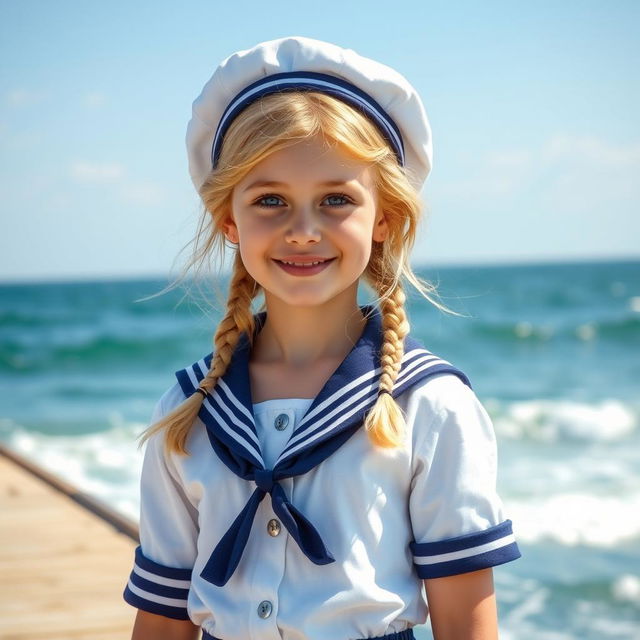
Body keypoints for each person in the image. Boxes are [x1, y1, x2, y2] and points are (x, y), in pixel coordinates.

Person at [123, 36, 521, 640]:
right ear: (229, 219)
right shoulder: (188, 411)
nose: (303, 231)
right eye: (270, 200)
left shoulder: (429, 405)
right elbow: (161, 618)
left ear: (383, 216)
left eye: (336, 199)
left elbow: (466, 624)